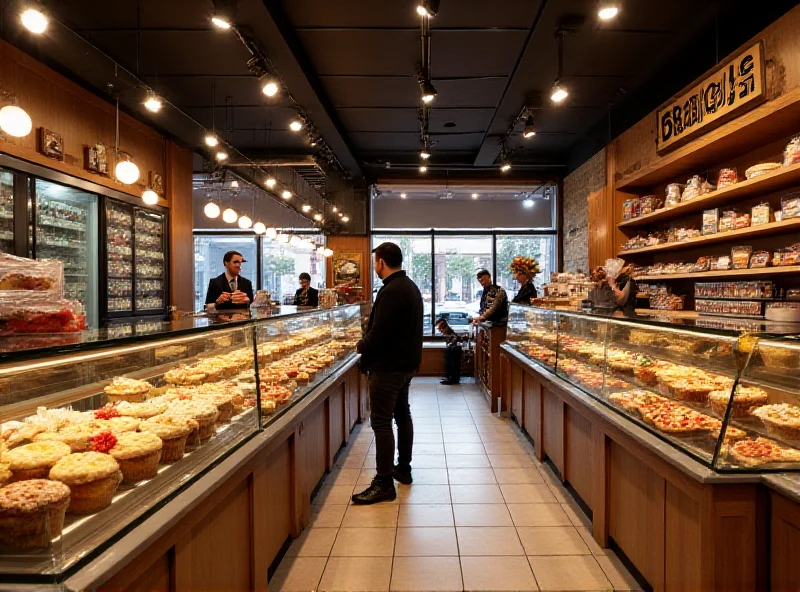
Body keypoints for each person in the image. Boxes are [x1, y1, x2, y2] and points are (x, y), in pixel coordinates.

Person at [353, 242, 423, 505]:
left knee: (381, 422)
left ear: (381, 261)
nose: (374, 265)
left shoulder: (392, 290)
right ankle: (402, 468)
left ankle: (383, 482)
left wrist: (359, 346)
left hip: (388, 367)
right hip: (405, 365)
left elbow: (380, 334)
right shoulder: (409, 286)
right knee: (402, 414)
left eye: (375, 261)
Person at [436, 317, 462, 385]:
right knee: (449, 363)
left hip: (454, 350)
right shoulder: (450, 333)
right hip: (452, 349)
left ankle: (451, 378)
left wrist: (450, 344)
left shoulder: (452, 335)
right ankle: (450, 377)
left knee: (451, 364)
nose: (440, 331)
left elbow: (455, 339)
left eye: (440, 329)